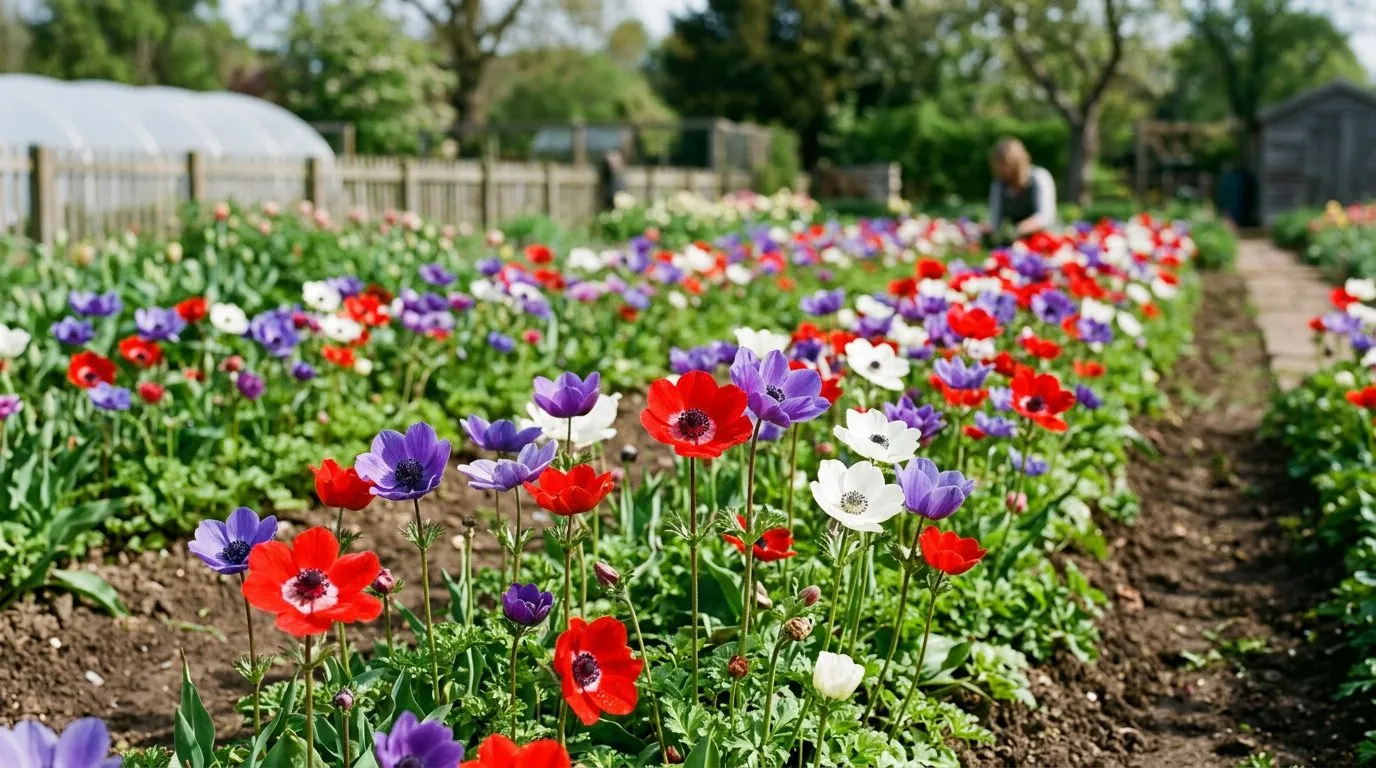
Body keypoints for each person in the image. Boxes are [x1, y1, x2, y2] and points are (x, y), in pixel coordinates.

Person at [986, 138, 1057, 240]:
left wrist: (1018, 229)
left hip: (1044, 238)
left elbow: (1046, 216)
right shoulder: (999, 185)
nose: (1000, 169)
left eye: (1004, 164)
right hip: (1015, 241)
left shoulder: (1039, 177)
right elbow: (996, 220)